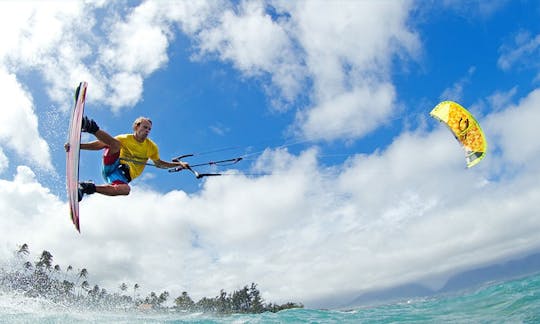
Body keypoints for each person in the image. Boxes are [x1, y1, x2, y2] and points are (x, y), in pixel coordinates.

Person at [76, 116, 189, 201]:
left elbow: (159, 163)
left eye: (149, 129)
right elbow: (100, 144)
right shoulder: (125, 138)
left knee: (126, 190)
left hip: (120, 177)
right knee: (115, 144)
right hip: (112, 165)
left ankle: (86, 187)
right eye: (145, 127)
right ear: (136, 126)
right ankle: (90, 126)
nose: (147, 131)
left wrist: (179, 164)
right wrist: (79, 146)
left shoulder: (151, 147)